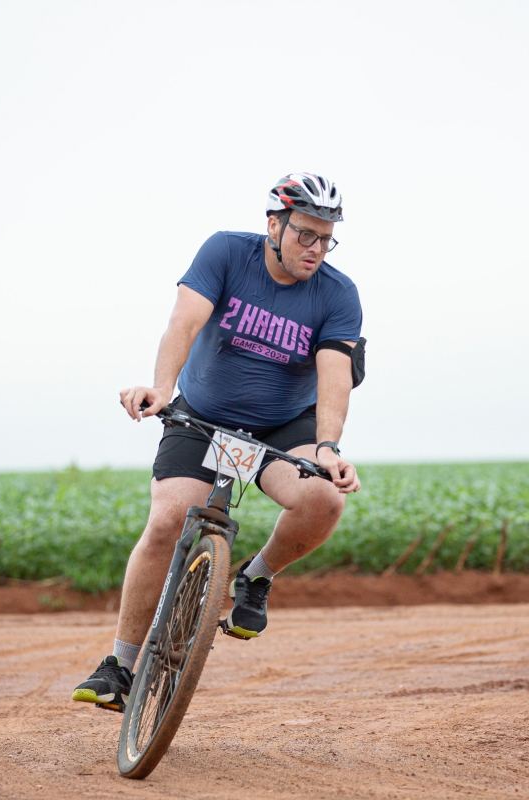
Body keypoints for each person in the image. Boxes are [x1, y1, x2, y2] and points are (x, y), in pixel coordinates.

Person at [73, 173, 364, 711]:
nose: (316, 249)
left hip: (281, 428)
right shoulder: (226, 252)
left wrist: (327, 447)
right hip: (204, 416)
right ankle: (119, 665)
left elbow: (335, 378)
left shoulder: (338, 293)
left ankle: (256, 577)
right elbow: (183, 325)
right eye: (305, 234)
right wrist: (161, 388)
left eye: (326, 239)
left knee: (324, 498)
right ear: (274, 226)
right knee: (168, 520)